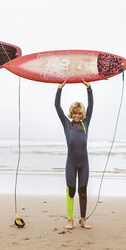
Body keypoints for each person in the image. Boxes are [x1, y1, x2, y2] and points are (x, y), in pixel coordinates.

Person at [55, 79, 93, 229]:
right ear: (71, 113)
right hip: (71, 163)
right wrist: (59, 89)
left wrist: (89, 88)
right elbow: (57, 106)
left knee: (82, 191)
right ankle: (70, 220)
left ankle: (83, 220)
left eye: (79, 113)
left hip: (84, 163)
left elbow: (91, 106)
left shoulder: (86, 123)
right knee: (71, 191)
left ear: (82, 114)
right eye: (75, 113)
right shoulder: (67, 124)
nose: (77, 115)